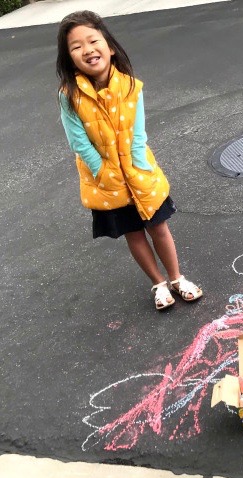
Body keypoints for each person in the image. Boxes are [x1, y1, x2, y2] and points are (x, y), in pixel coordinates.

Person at [56, 11, 202, 311]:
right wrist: (102, 172)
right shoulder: (69, 95)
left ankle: (176, 278)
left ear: (109, 46)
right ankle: (158, 283)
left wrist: (138, 166)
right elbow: (78, 141)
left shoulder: (132, 86)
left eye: (93, 40)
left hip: (140, 172)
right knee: (133, 233)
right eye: (76, 46)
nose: (87, 49)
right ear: (70, 58)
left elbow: (138, 133)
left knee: (159, 227)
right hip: (106, 181)